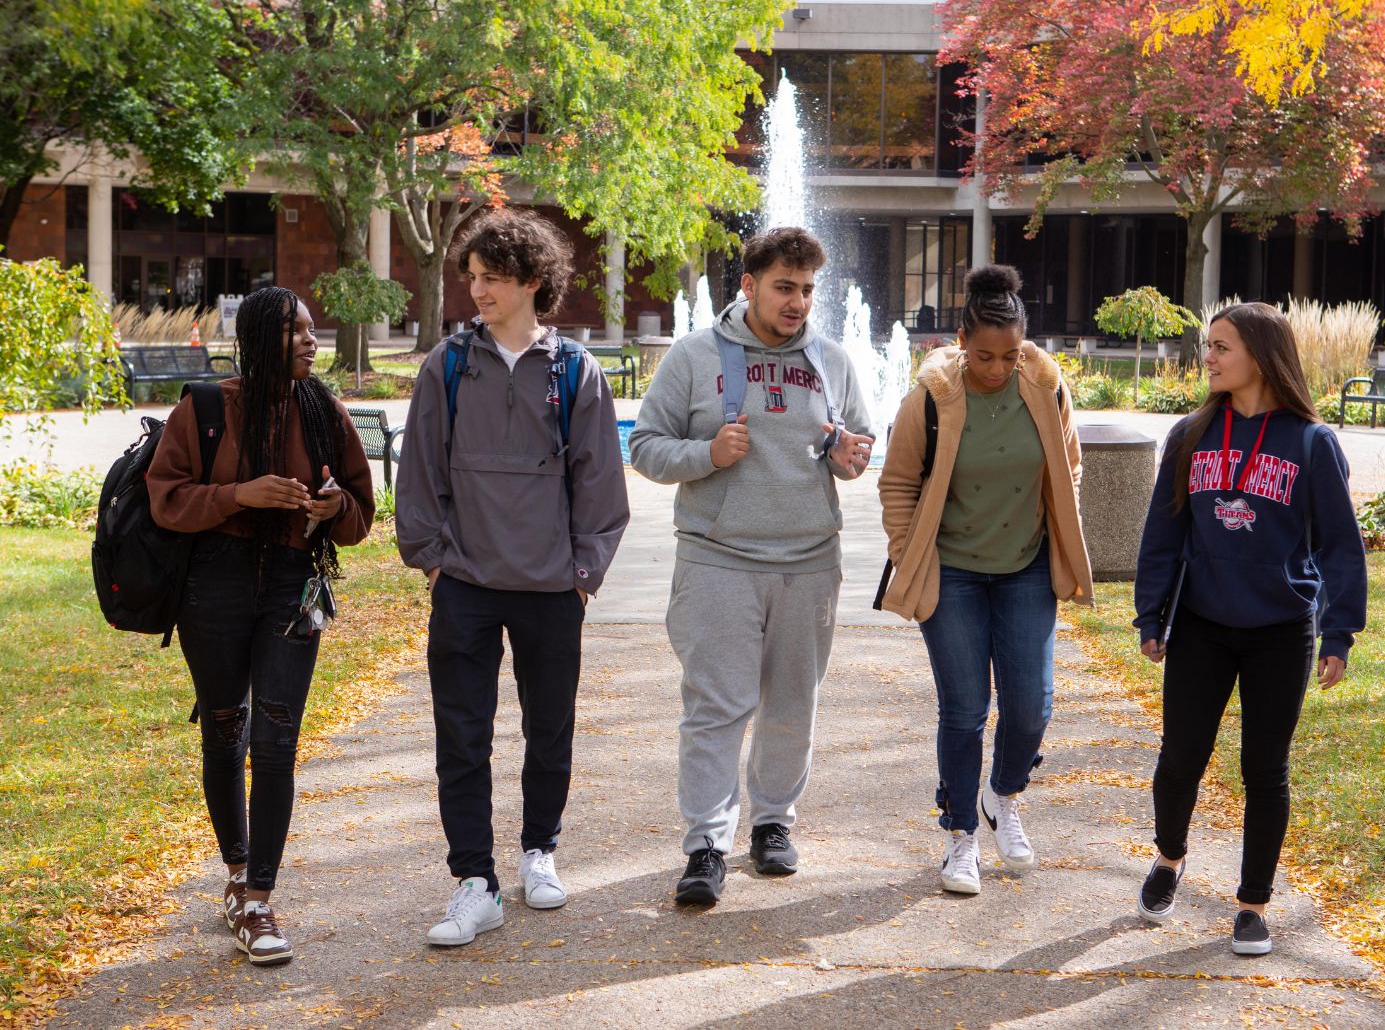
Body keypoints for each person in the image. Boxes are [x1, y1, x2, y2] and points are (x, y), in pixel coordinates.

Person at [395, 207, 629, 945]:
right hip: (464, 582)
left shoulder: (575, 371)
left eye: (492, 279)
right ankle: (475, 882)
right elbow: (419, 472)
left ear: (532, 282)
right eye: (472, 278)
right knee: (461, 737)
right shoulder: (447, 365)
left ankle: (539, 852)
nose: (477, 292)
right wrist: (431, 560)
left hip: (552, 588)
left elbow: (600, 483)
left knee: (548, 729)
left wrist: (583, 572)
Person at [629, 226, 875, 906]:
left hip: (809, 561)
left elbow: (853, 448)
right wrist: (707, 454)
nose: (796, 303)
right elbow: (645, 447)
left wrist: (847, 456)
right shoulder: (693, 356)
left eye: (806, 290)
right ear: (749, 286)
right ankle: (705, 843)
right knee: (716, 707)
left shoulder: (831, 361)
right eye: (783, 288)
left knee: (793, 706)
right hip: (718, 560)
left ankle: (772, 824)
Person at [147, 285, 375, 966]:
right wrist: (238, 496)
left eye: (311, 329)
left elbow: (362, 512)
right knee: (225, 731)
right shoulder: (207, 409)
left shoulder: (325, 412)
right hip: (212, 585)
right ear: (256, 340)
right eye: (293, 332)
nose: (311, 340)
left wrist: (333, 510)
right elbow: (166, 500)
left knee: (276, 739)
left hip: (291, 584)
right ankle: (237, 869)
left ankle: (258, 896)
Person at [1131, 301, 1367, 957]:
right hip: (1203, 624)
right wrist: (1151, 613)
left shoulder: (1312, 444)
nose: (1207, 357)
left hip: (1280, 631)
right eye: (1208, 346)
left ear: (1259, 356)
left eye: (1221, 347)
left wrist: (1338, 633)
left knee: (1265, 769)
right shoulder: (1190, 435)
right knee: (1181, 758)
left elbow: (1343, 548)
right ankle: (1169, 858)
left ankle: (1252, 904)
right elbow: (1163, 534)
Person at [877, 265, 1093, 895]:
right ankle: (962, 835)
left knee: (1030, 707)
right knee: (966, 710)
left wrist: (1057, 533)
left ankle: (1004, 795)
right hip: (955, 575)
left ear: (1025, 345)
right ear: (960, 340)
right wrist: (909, 551)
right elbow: (897, 483)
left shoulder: (1047, 387)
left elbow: (1069, 466)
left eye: (1010, 355)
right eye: (983, 356)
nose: (998, 369)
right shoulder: (931, 398)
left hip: (1026, 567)